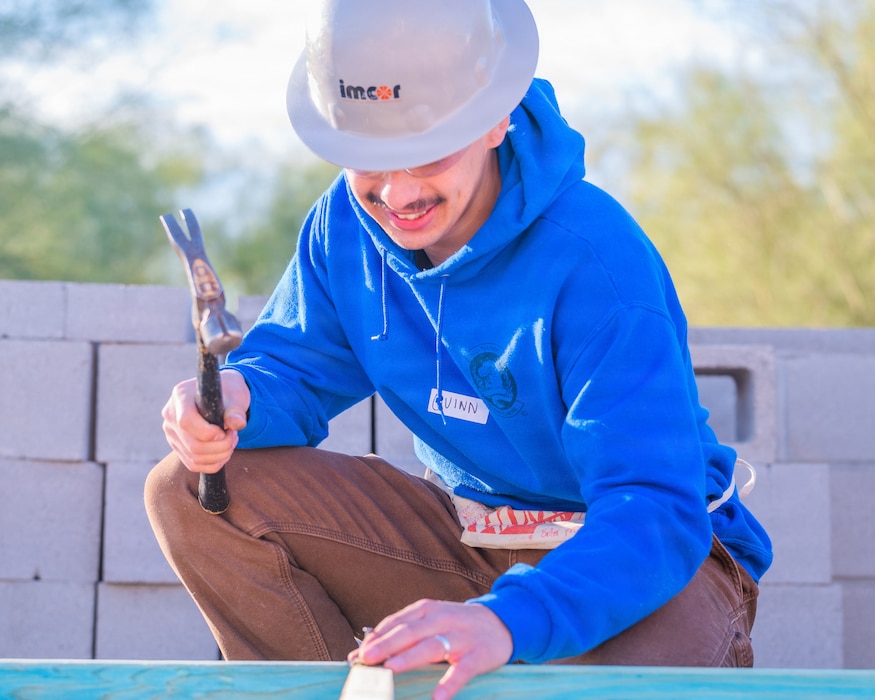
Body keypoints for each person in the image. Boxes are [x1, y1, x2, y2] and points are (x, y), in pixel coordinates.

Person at [146, 1, 773, 698]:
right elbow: (297, 366)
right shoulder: (345, 226)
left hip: (643, 558)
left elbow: (653, 506)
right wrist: (241, 398)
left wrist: (507, 621)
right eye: (369, 161)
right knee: (191, 491)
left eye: (429, 152)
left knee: (617, 680)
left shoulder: (597, 265)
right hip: (469, 537)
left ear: (495, 118)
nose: (399, 192)